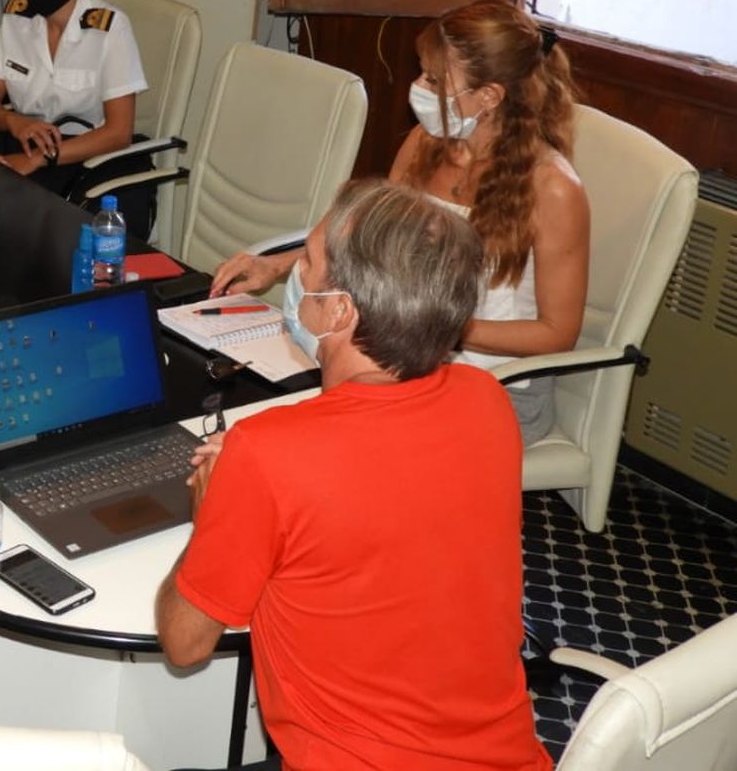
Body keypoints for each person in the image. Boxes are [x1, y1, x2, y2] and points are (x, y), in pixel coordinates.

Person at [157, 180, 551, 770]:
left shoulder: (267, 453)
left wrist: (212, 509)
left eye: (308, 264)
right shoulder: (486, 400)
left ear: (339, 309)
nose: (294, 278)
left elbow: (184, 643)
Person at [210, 0, 587, 443]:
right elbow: (368, 238)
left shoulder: (553, 189)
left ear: (489, 96)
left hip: (494, 389)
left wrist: (434, 327)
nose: (417, 86)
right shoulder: (425, 144)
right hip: (406, 364)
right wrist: (276, 266)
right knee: (276, 420)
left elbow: (557, 335)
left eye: (433, 79)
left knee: (338, 441)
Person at [0, 0, 149, 222]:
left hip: (85, 154)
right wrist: (12, 121)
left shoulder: (109, 27)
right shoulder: (18, 17)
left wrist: (40, 159)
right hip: (25, 141)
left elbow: (119, 133)